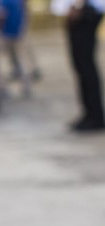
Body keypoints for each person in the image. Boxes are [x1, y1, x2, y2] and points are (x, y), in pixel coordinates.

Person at [51, 0, 105, 132]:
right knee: (81, 66)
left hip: (84, 13)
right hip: (82, 11)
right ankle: (90, 113)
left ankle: (95, 116)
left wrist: (78, 6)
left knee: (85, 67)